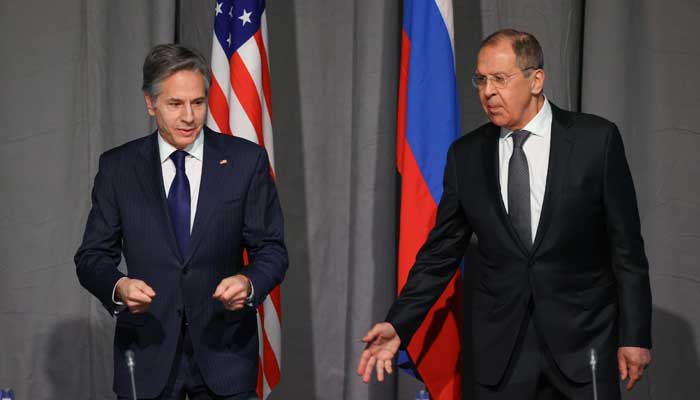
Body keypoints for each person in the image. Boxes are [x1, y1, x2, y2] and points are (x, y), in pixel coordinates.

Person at [358, 29, 652, 399]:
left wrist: (636, 335)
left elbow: (627, 250)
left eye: (500, 78)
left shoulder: (597, 140)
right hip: (503, 355)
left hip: (583, 345)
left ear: (536, 80)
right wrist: (399, 324)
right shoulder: (466, 156)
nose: (487, 92)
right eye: (480, 80)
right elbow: (439, 254)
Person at [75, 44, 288, 400]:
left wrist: (248, 282)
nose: (189, 116)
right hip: (147, 353)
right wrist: (119, 287)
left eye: (198, 102)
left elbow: (272, 250)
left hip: (226, 354)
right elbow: (92, 257)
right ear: (150, 103)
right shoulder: (118, 168)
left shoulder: (245, 162)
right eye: (175, 104)